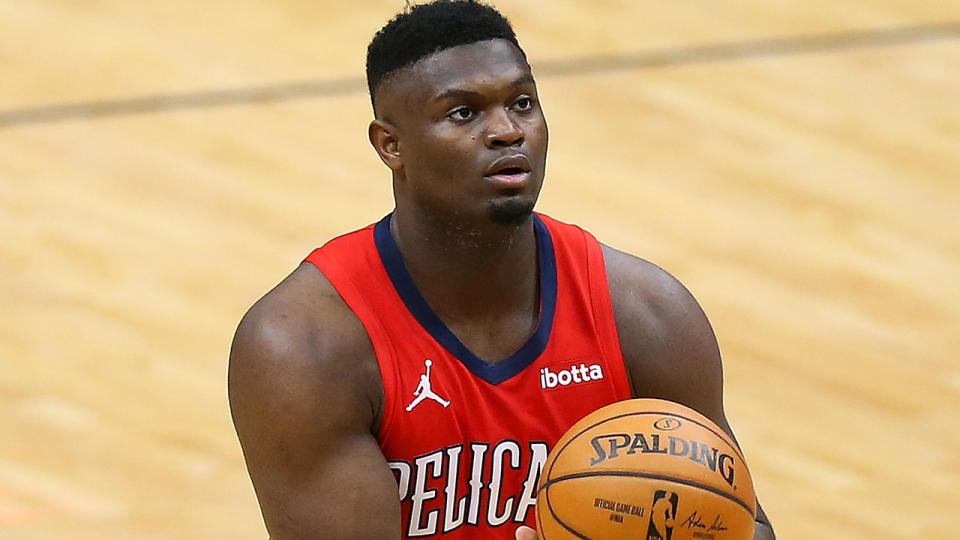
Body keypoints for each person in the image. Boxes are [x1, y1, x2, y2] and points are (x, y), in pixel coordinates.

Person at [227, 1, 776, 539]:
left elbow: (742, 522)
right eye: (464, 113)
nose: (508, 131)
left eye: (522, 103)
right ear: (390, 145)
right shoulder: (305, 347)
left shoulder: (646, 313)